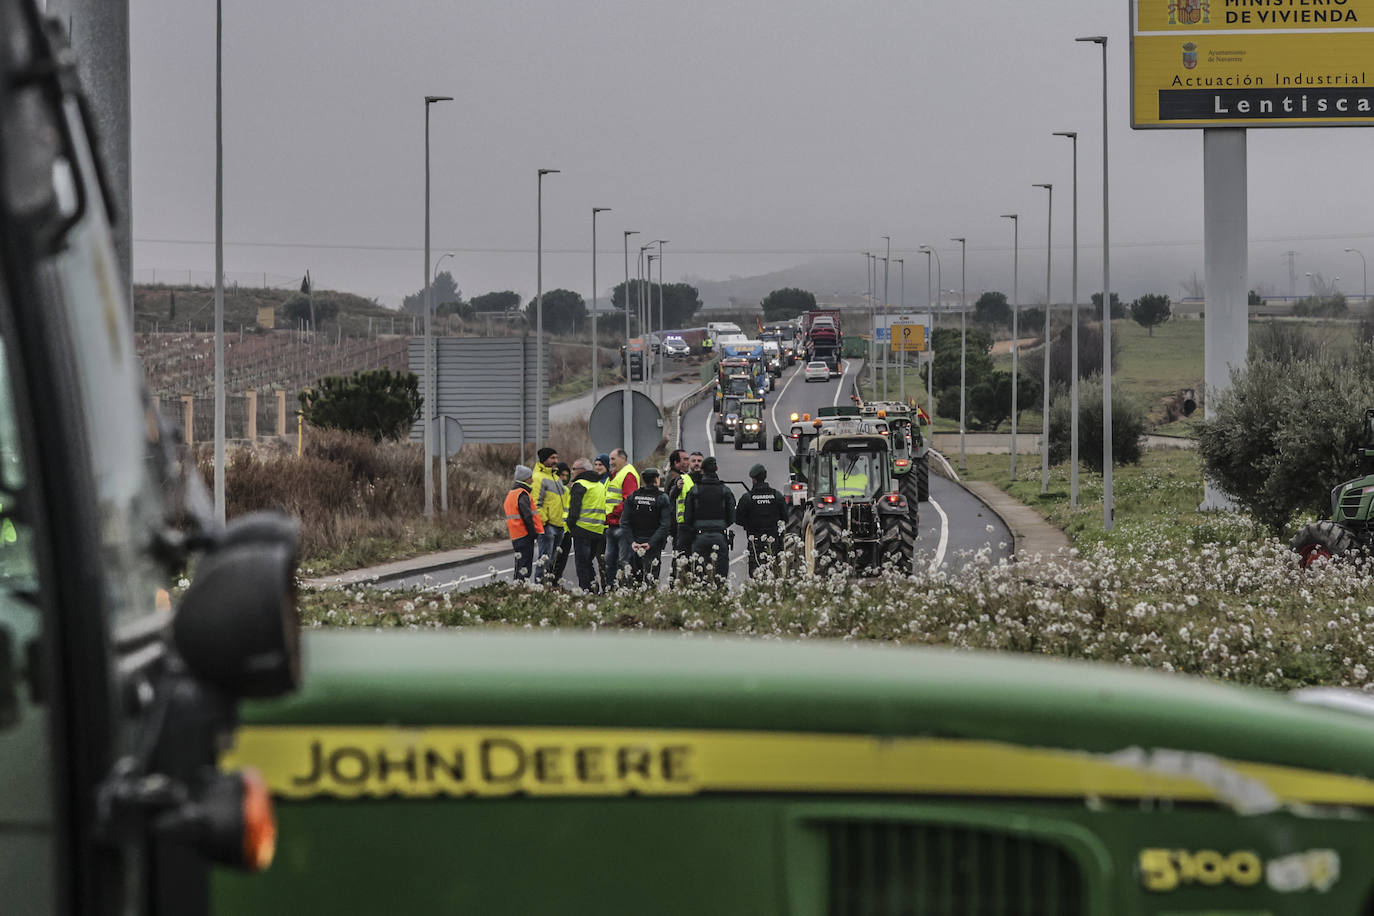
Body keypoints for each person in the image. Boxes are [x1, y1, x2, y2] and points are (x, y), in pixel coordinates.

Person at [683, 456, 735, 586]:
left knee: (699, 578)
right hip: (719, 536)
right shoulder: (724, 490)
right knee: (720, 578)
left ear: (702, 470)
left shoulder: (694, 490)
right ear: (716, 469)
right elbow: (731, 517)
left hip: (699, 537)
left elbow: (687, 517)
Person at [621, 467, 671, 587]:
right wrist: (651, 543)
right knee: (651, 578)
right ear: (656, 480)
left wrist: (632, 542)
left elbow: (624, 522)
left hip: (635, 543)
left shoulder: (633, 496)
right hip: (652, 545)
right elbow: (665, 525)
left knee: (634, 579)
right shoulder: (662, 497)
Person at [735, 464, 787, 578]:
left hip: (755, 543)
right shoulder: (776, 496)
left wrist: (748, 524)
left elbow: (738, 519)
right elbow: (785, 517)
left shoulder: (747, 498)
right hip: (773, 542)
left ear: (753, 479)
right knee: (774, 573)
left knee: (756, 574)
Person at [564, 458, 606, 592]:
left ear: (581, 470)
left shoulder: (580, 484)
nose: (572, 472)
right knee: (589, 563)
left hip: (582, 530)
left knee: (582, 564)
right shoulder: (599, 484)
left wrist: (570, 525)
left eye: (574, 469)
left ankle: (586, 591)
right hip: (598, 530)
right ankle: (593, 588)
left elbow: (574, 509)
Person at [603, 448, 639, 588]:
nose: (610, 462)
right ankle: (612, 589)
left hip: (621, 525)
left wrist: (611, 514)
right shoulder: (616, 474)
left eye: (613, 459)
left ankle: (624, 590)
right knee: (610, 561)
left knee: (623, 561)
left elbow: (628, 501)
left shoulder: (627, 474)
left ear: (623, 459)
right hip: (612, 524)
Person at [531, 447, 566, 582]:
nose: (556, 461)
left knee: (551, 561)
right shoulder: (538, 478)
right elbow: (535, 503)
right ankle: (540, 586)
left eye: (556, 458)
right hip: (548, 526)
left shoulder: (555, 477)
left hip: (558, 524)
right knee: (544, 559)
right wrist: (544, 522)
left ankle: (548, 587)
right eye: (552, 458)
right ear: (544, 459)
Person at [504, 465, 544, 582]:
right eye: (530, 477)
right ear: (525, 478)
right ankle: (521, 589)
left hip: (516, 534)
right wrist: (533, 533)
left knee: (519, 564)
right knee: (525, 566)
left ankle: (517, 588)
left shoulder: (512, 493)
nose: (532, 479)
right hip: (524, 534)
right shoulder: (522, 494)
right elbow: (527, 516)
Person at [665, 449, 696, 586]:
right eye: (684, 459)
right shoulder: (675, 478)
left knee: (678, 556)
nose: (687, 462)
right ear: (676, 462)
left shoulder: (678, 476)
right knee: (680, 557)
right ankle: (676, 584)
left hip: (677, 524)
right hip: (678, 524)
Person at [549, 462, 574, 584]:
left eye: (566, 475)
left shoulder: (567, 491)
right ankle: (550, 585)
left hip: (566, 532)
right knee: (552, 562)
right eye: (561, 475)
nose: (564, 478)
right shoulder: (551, 489)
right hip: (555, 530)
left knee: (561, 563)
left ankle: (556, 584)